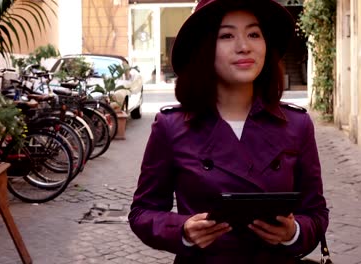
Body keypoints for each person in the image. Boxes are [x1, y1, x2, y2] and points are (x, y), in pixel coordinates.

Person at [129, 0, 329, 263]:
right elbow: (143, 212)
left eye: (254, 34)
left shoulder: (297, 124)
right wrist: (184, 230)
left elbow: (315, 213)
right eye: (227, 35)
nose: (244, 46)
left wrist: (293, 232)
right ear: (205, 48)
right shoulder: (171, 126)